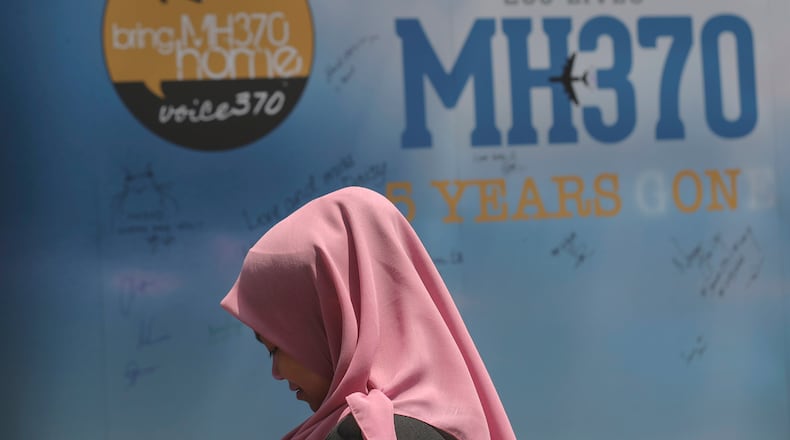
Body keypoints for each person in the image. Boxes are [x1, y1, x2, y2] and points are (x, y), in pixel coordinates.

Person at [221, 186, 516, 440]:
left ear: (330, 320)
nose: (276, 373)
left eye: (276, 347)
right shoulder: (454, 423)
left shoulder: (360, 432)